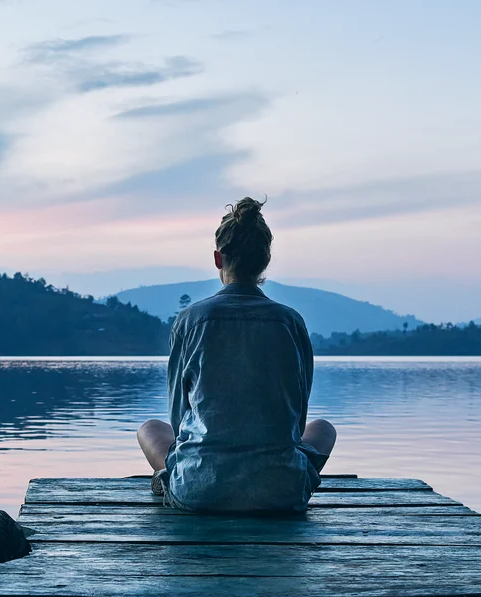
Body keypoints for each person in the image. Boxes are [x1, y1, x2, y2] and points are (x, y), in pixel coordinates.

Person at [137, 197, 336, 513]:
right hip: (280, 492)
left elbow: (177, 419)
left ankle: (170, 479)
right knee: (323, 428)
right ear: (265, 261)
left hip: (199, 491)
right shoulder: (290, 322)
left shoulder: (190, 321)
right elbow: (297, 423)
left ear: (218, 259)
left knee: (150, 429)